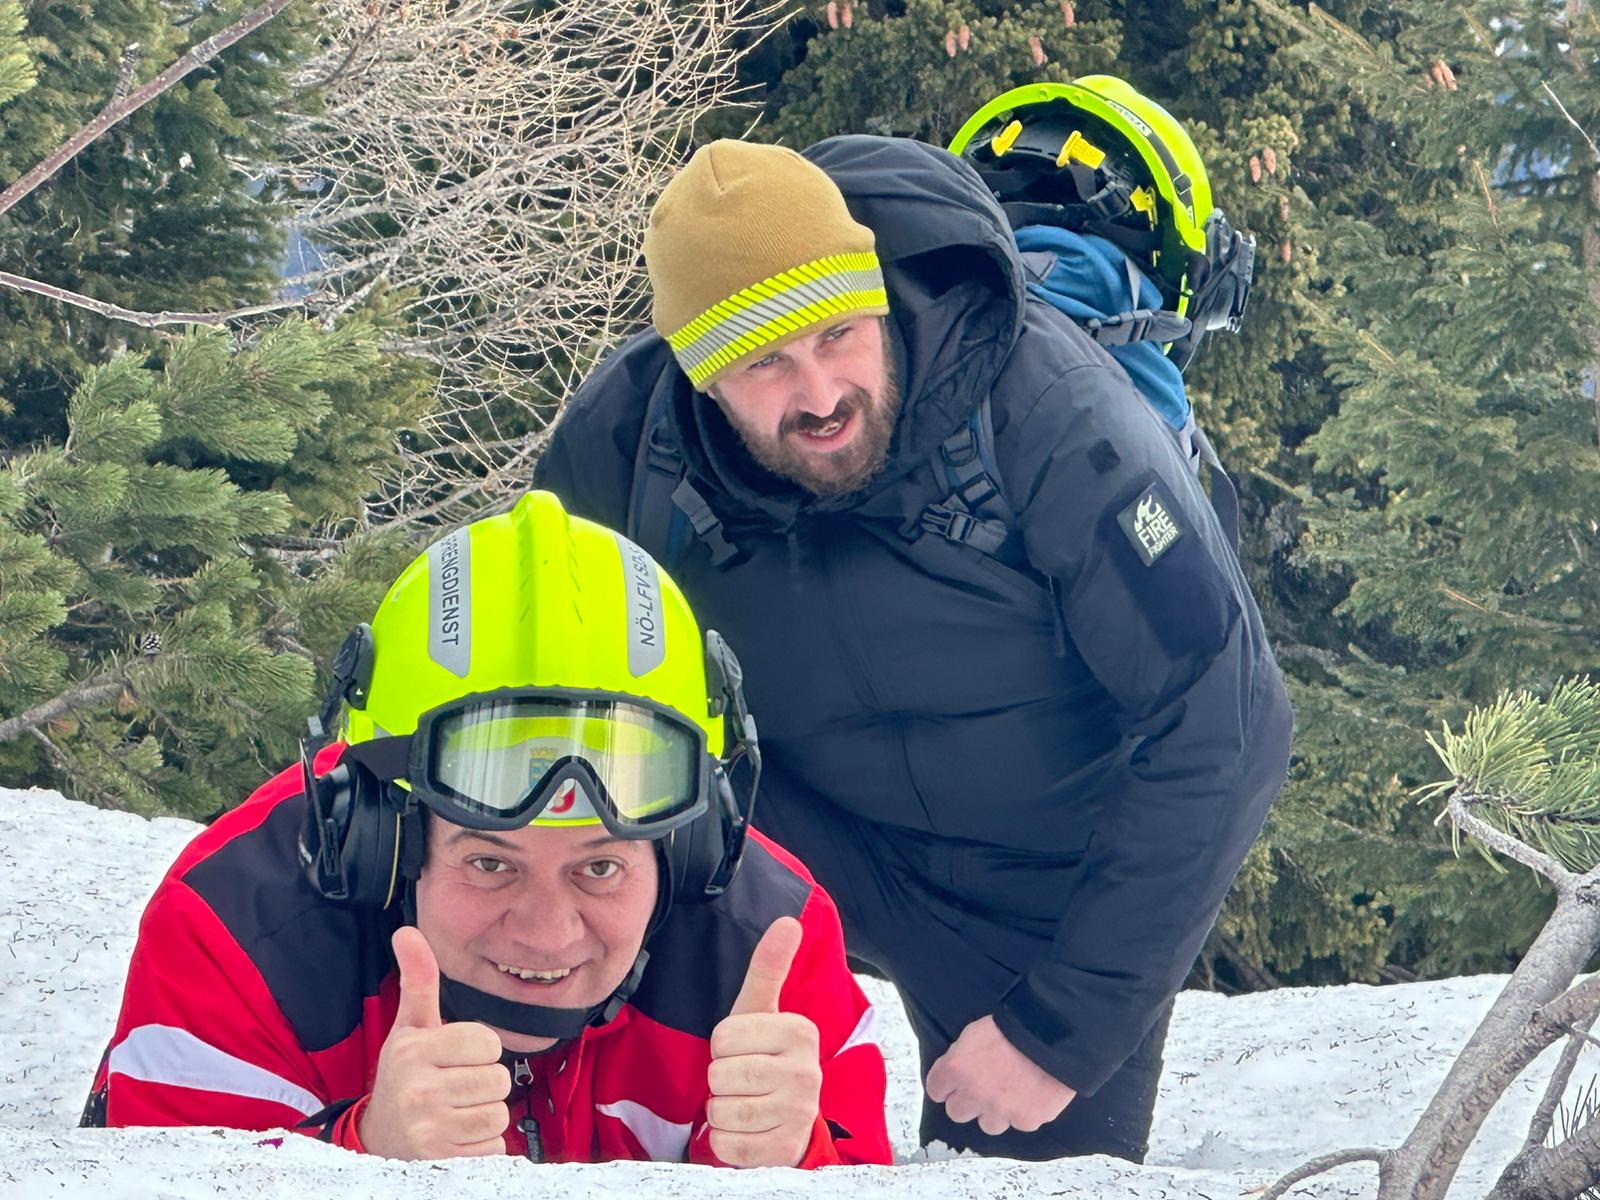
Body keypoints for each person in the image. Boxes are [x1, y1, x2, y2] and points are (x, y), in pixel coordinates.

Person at [531, 88, 1294, 1162]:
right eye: (763, 365)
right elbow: (518, 693)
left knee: (1031, 1163)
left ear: (878, 300)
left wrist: (1058, 1030)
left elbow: (1226, 718)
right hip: (781, 831)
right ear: (698, 377)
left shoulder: (1050, 409)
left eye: (839, 335)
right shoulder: (624, 448)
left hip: (1034, 875)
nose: (819, 392)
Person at [83, 490, 892, 1168]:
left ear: (688, 846)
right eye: (491, 864)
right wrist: (355, 1157)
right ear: (378, 840)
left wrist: (797, 1164)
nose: (547, 935)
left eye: (599, 869)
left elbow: (858, 1166)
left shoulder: (769, 952)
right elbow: (159, 1169)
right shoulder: (234, 938)